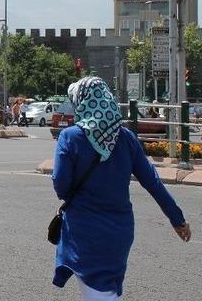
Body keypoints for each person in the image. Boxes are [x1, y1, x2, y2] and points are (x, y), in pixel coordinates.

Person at [52, 77, 190, 300]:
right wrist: (177, 219)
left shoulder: (70, 137)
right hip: (119, 232)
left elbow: (61, 186)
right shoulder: (126, 138)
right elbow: (152, 182)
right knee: (107, 289)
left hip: (83, 231)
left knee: (99, 293)